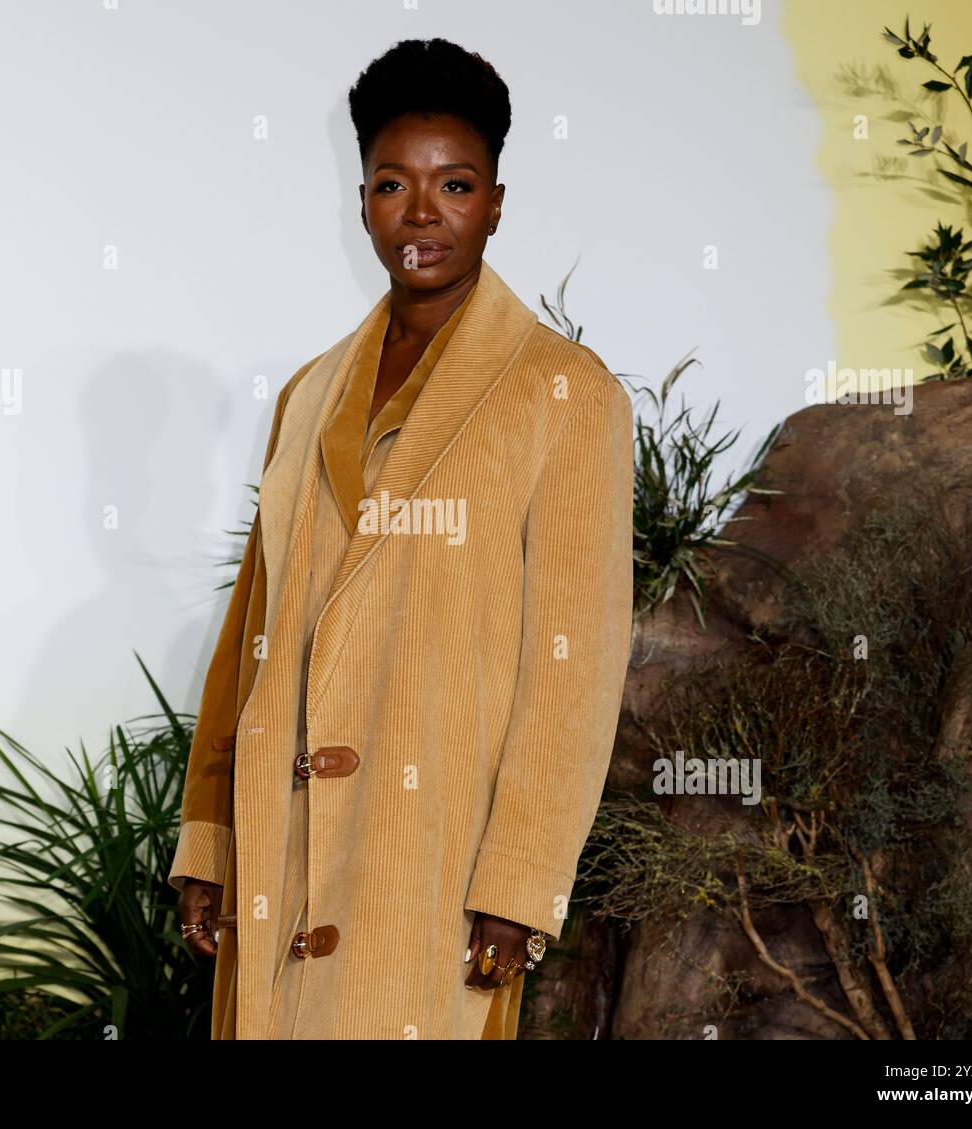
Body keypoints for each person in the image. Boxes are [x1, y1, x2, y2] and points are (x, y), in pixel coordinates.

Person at [170, 37, 634, 1040]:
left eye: (454, 184)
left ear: (497, 201)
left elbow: (578, 667)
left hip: (431, 856)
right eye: (391, 184)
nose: (421, 213)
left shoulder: (567, 395)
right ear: (363, 200)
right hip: (278, 846)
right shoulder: (307, 393)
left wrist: (520, 881)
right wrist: (207, 838)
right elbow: (247, 629)